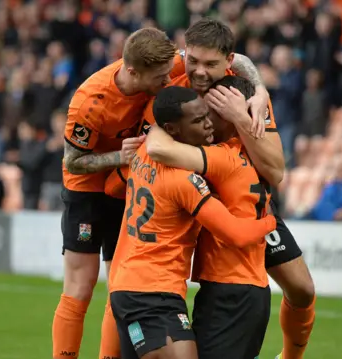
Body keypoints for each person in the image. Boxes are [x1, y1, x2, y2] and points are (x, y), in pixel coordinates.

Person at [104, 19, 316, 359]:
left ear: (228, 61)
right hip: (190, 201)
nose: (199, 71)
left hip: (243, 199)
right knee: (139, 281)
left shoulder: (243, 93)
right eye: (194, 61)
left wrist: (244, 114)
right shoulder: (171, 88)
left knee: (302, 288)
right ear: (185, 54)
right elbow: (154, 140)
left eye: (210, 64)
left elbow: (275, 169)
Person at [56, 25, 268, 359]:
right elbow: (72, 162)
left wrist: (260, 91)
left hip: (126, 180)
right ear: (133, 72)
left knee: (119, 280)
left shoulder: (168, 65)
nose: (170, 81)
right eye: (161, 78)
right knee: (81, 285)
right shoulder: (89, 101)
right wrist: (118, 157)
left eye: (171, 72)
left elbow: (236, 60)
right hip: (89, 183)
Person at [109, 86, 277, 359]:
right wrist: (269, 222)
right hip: (155, 292)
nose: (208, 123)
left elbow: (110, 188)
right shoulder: (184, 179)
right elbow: (235, 234)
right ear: (172, 129)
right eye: (198, 121)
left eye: (207, 115)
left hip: (126, 285)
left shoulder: (142, 153)